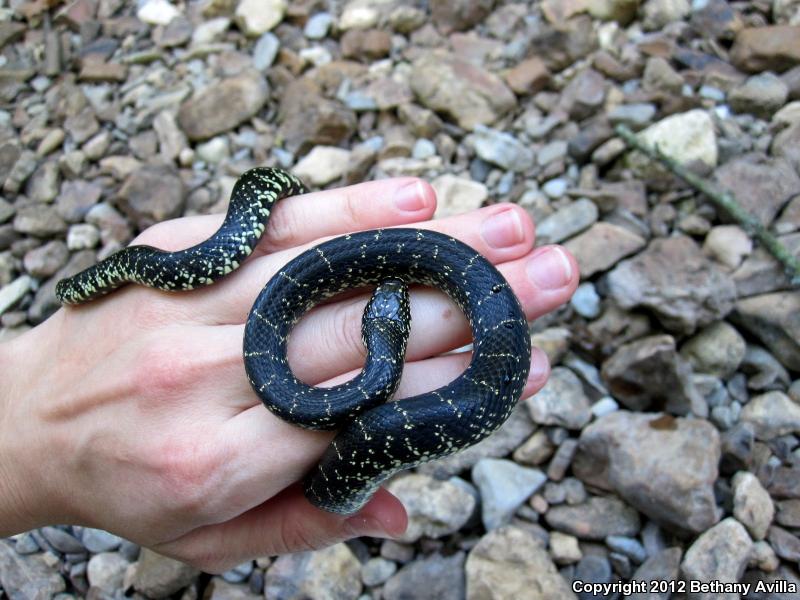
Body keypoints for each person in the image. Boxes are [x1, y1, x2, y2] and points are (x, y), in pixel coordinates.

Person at [0, 176, 578, 572]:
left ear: (379, 332)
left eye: (387, 305)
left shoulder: (370, 363)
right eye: (389, 301)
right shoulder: (371, 364)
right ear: (390, 337)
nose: (390, 295)